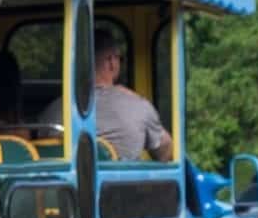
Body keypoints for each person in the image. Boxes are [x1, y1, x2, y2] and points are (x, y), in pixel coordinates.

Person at [45, 23, 173, 161]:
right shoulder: (139, 107)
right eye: (119, 58)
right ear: (111, 62)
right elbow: (166, 153)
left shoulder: (53, 111)